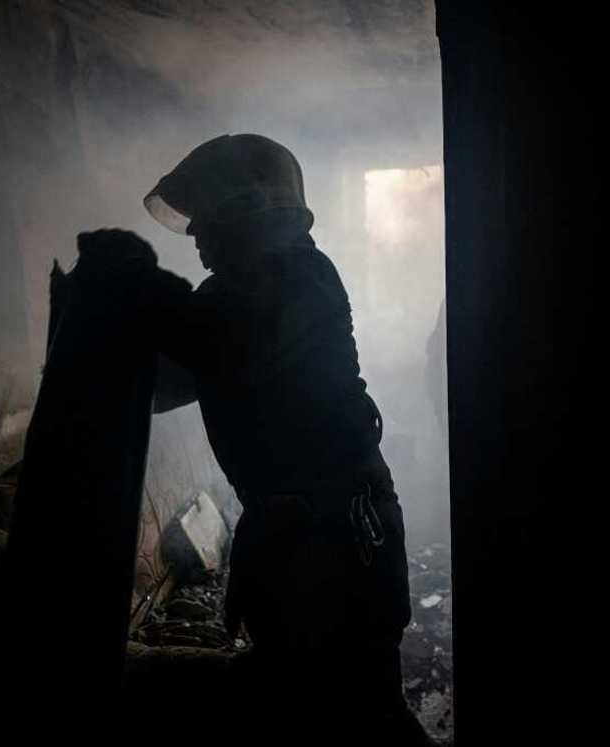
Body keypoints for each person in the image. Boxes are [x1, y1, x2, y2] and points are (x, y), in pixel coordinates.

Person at [99, 134, 429, 744]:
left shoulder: (296, 278)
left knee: (362, 705)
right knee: (303, 699)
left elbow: (216, 343)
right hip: (302, 527)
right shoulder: (235, 296)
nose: (195, 236)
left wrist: (130, 289)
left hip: (341, 529)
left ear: (245, 211)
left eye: (206, 219)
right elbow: (163, 383)